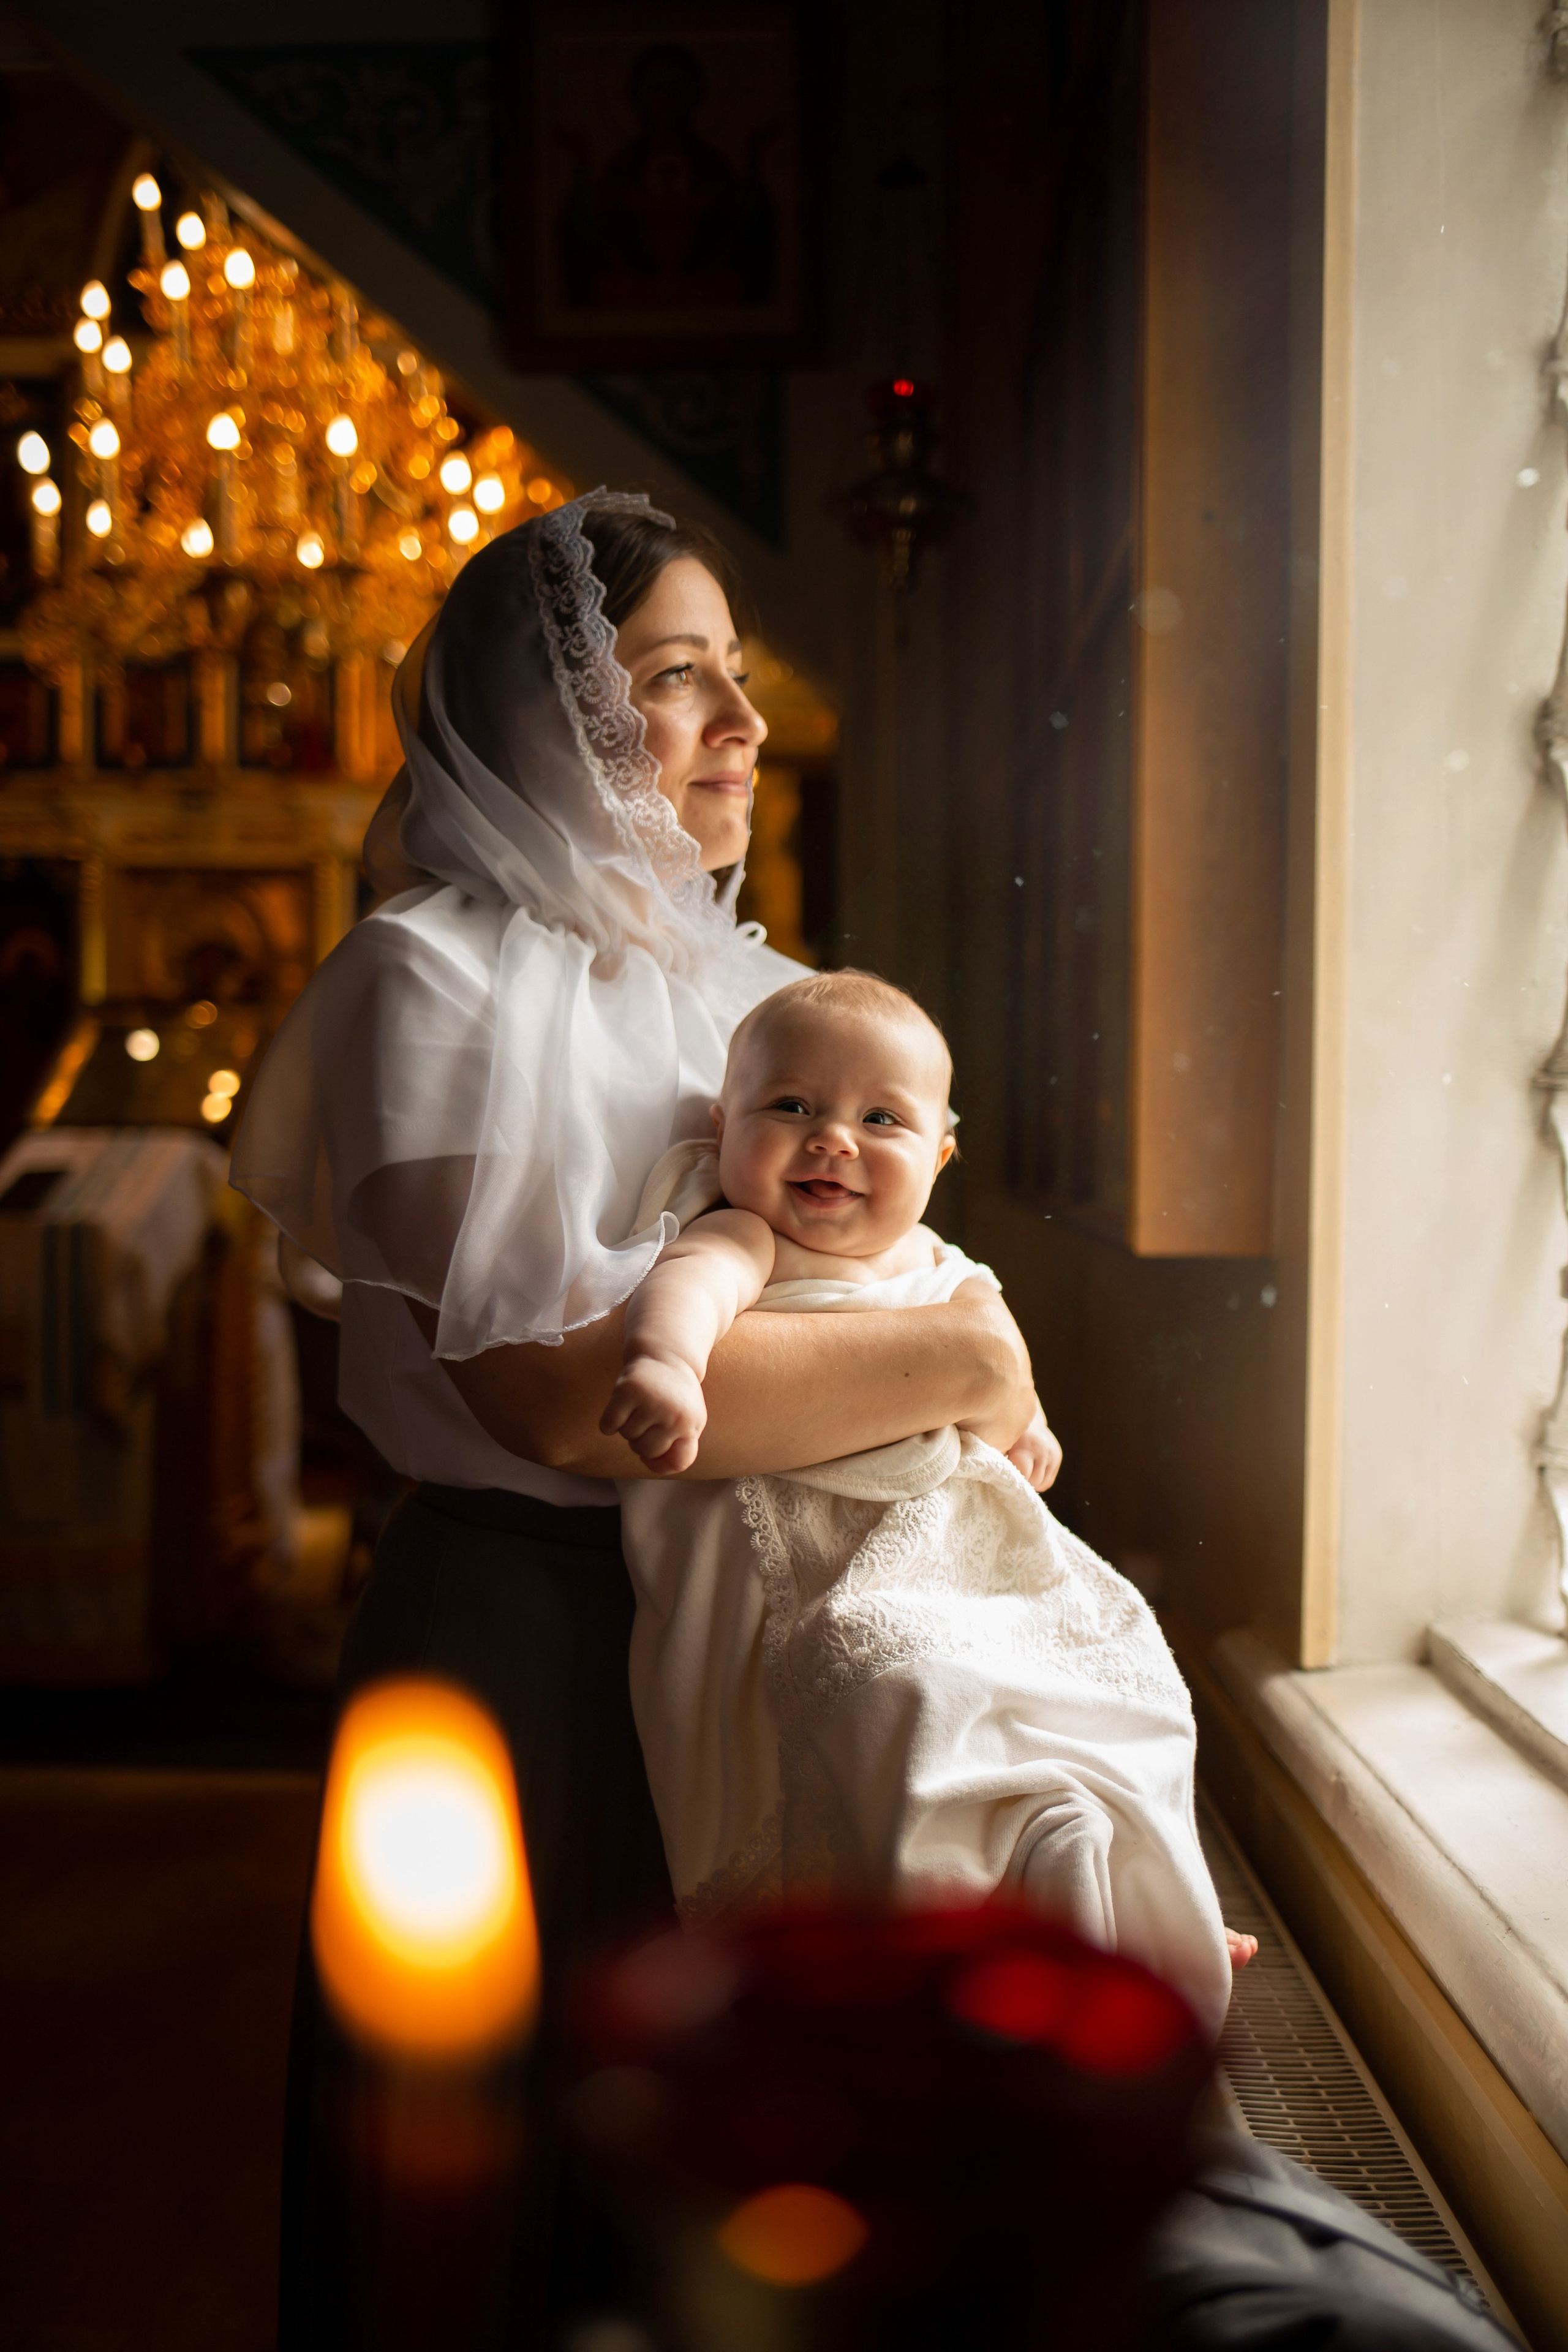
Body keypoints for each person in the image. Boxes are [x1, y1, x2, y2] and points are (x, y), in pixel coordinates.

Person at [230, 489, 1044, 2345]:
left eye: (740, 682)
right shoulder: (420, 979)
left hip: (766, 1627)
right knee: (496, 2168)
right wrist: (978, 1363)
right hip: (530, 1644)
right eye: (682, 685)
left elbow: (862, 1281)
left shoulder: (761, 995)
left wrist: (947, 1364)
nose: (747, 731)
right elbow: (561, 1405)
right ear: (551, 724)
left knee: (735, 2194)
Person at [606, 968, 1246, 2036]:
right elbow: (689, 1294)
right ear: (725, 1128)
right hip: (821, 1553)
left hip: (951, 1545)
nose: (833, 1141)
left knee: (1129, 1672)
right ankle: (972, 1944)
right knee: (908, 1689)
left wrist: (1027, 1424)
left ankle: (1150, 1892)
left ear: (941, 1157)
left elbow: (1006, 1386)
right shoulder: (749, 1240)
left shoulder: (947, 1269)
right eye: (792, 1108)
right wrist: (667, 1366)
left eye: (880, 1119)